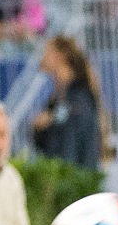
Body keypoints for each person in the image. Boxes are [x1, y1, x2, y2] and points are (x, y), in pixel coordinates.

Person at [32, 36, 104, 170]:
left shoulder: (78, 98)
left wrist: (49, 123)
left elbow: (69, 145)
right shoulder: (58, 98)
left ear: (60, 56)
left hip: (75, 180)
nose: (42, 57)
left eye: (47, 52)